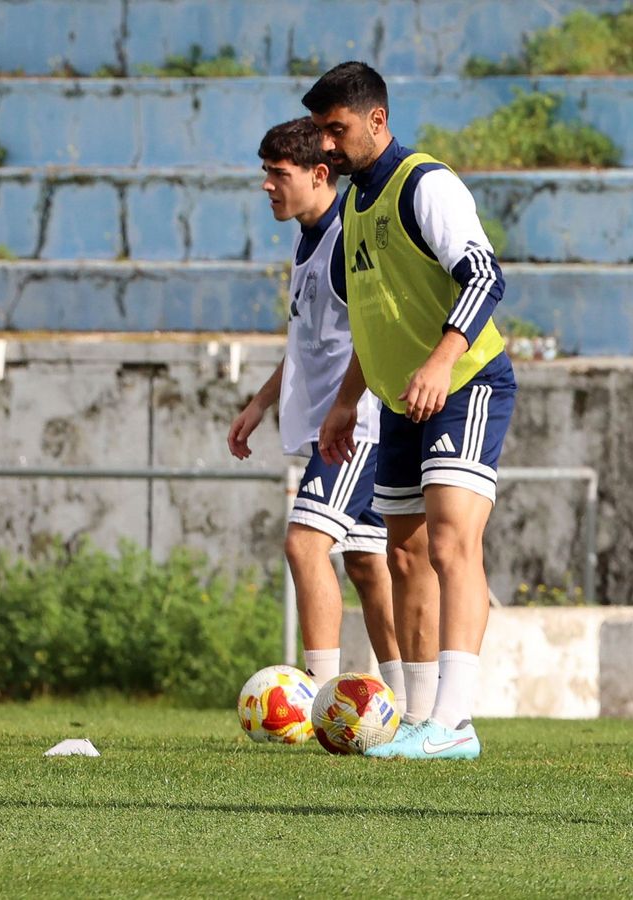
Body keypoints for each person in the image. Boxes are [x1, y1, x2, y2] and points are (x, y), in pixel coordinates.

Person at [301, 62, 515, 760]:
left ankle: (455, 721)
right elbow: (375, 322)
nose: (326, 145)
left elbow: (485, 275)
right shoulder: (354, 207)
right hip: (399, 401)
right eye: (320, 131)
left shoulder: (426, 183)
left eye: (336, 130)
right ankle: (423, 720)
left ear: (377, 120)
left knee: (452, 544)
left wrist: (442, 360)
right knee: (404, 555)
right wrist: (345, 402)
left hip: (466, 384)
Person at [227, 116, 403, 700]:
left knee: (305, 543)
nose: (267, 185)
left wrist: (348, 406)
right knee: (368, 566)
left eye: (279, 173)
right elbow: (308, 339)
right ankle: (407, 700)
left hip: (358, 428)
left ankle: (319, 695)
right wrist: (259, 404)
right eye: (265, 172)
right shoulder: (308, 239)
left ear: (320, 174)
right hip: (339, 427)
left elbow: (376, 332)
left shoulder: (348, 239)